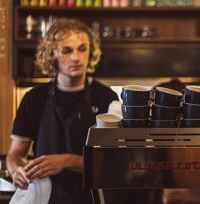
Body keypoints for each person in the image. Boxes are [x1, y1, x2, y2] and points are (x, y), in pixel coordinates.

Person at [6, 18, 118, 203]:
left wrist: (66, 161)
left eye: (82, 49)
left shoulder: (106, 99)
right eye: (67, 50)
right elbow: (15, 154)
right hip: (45, 197)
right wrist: (17, 171)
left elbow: (111, 163)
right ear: (52, 55)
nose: (76, 57)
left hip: (91, 198)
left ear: (90, 52)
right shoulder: (34, 98)